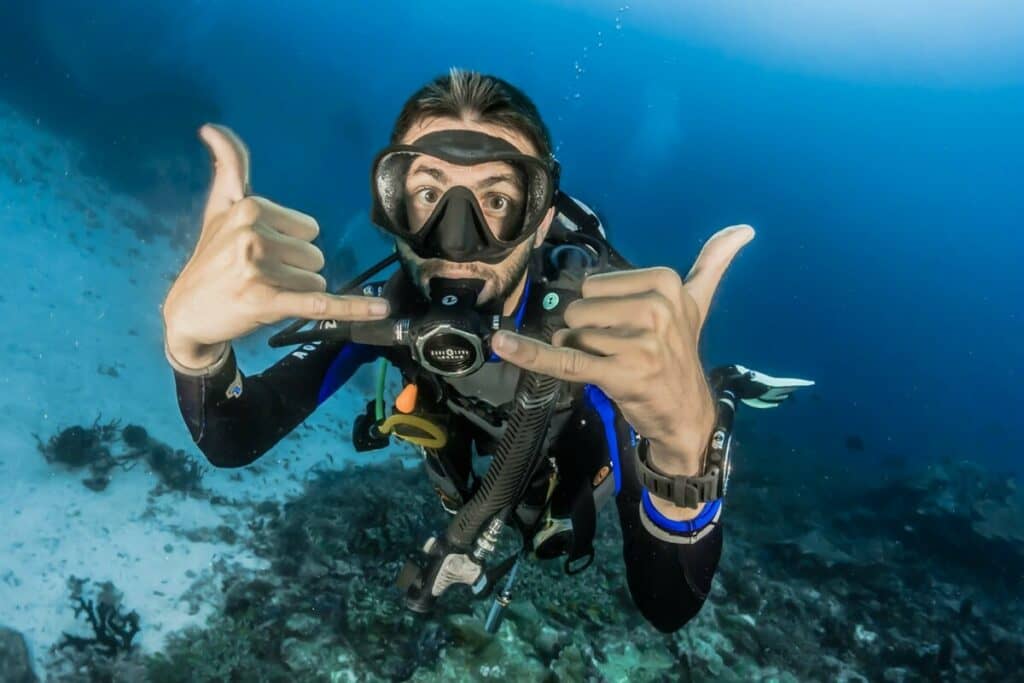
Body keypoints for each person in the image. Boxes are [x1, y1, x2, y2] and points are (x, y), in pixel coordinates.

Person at [161, 68, 810, 633]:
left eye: (498, 199)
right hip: (474, 485)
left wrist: (683, 450)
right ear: (392, 208)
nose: (458, 237)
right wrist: (192, 346)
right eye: (426, 194)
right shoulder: (386, 306)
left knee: (679, 413)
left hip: (564, 484)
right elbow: (233, 436)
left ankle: (716, 392)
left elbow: (668, 602)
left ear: (541, 219)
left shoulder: (596, 335)